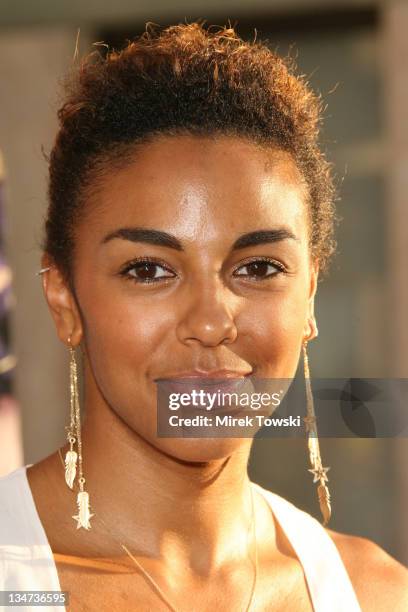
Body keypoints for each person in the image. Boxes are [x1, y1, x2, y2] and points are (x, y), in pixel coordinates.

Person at [0, 22, 407, 612]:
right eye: (148, 270)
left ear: (311, 293)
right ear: (64, 298)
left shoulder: (376, 594)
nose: (213, 321)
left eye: (260, 268)